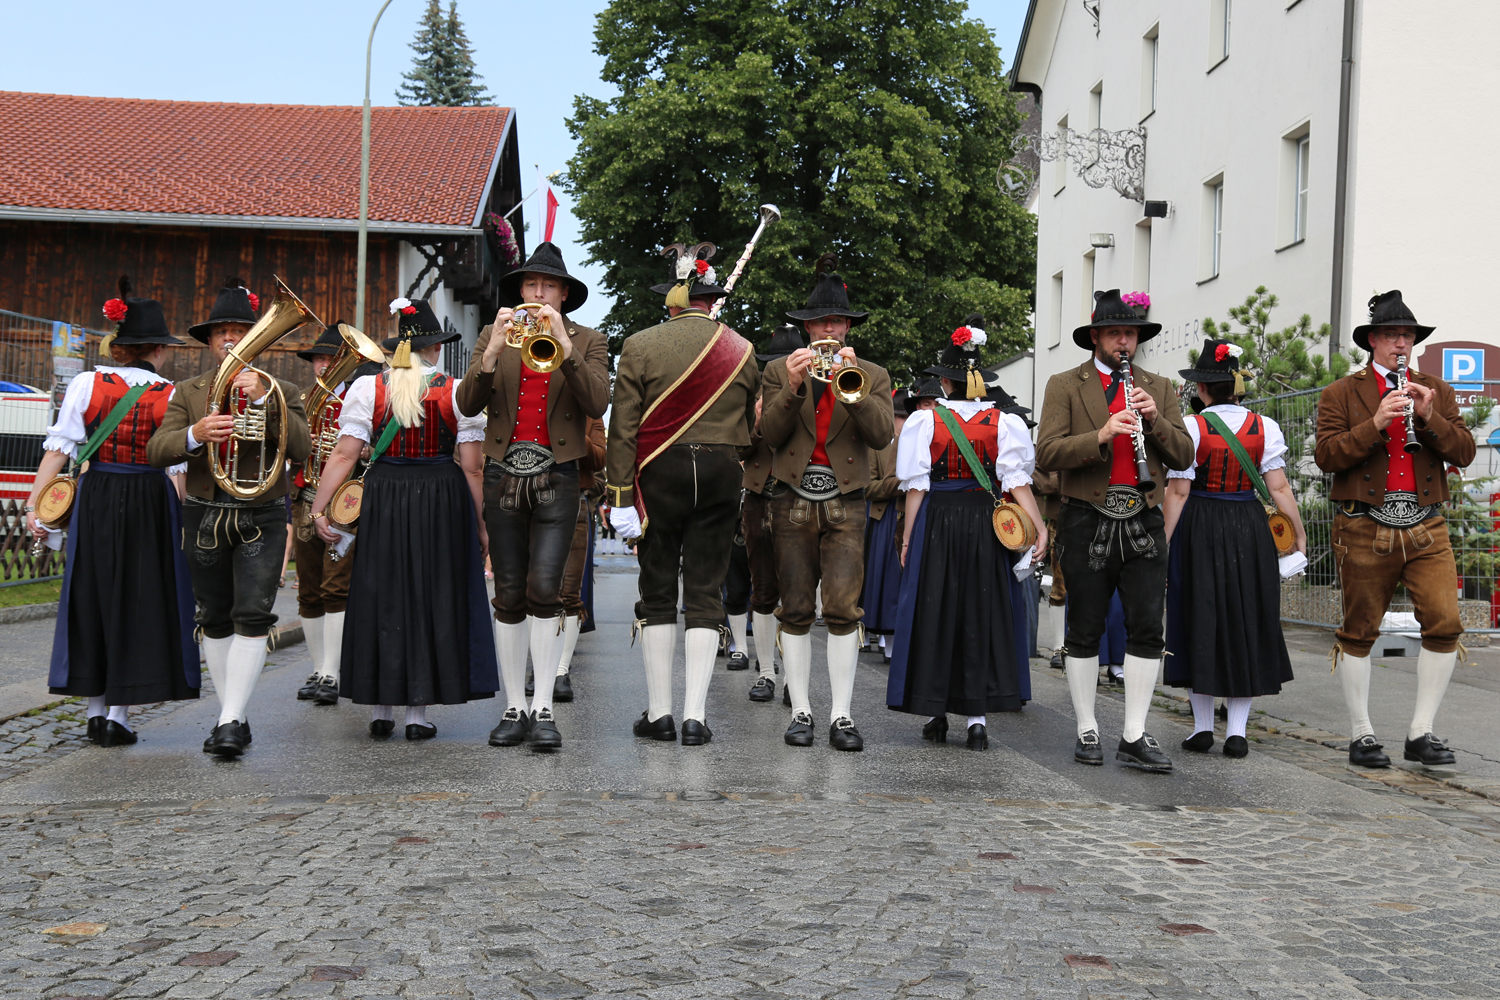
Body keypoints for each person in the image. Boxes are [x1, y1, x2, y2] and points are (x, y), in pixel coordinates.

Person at [310, 299, 498, 740]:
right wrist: (482, 526)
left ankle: (380, 710)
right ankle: (417, 715)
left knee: (381, 593)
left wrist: (320, 508)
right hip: (441, 497)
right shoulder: (455, 392)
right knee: (432, 597)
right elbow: (473, 469)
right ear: (435, 349)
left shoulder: (367, 388)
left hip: (385, 496)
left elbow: (344, 455)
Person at [25, 278, 197, 746]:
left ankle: (95, 712)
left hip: (97, 494)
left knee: (92, 593)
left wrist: (35, 506)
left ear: (121, 347)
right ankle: (119, 715)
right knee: (140, 600)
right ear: (159, 349)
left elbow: (58, 450)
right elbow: (176, 469)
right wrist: (180, 519)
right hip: (150, 498)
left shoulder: (88, 383)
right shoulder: (171, 393)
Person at [148, 276, 313, 757]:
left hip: (262, 513)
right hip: (204, 513)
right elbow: (157, 450)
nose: (231, 339)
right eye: (222, 332)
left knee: (253, 614)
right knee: (214, 616)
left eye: (240, 331)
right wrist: (195, 435)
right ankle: (232, 716)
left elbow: (301, 449)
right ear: (210, 341)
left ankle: (229, 720)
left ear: (257, 338)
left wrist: (264, 401)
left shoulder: (282, 389)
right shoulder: (188, 391)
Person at [456, 243, 610, 750]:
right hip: (503, 474)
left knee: (546, 589)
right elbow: (467, 404)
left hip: (559, 476)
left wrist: (563, 345)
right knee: (508, 593)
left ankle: (543, 705)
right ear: (520, 291)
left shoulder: (589, 340)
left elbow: (597, 401)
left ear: (563, 294)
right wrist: (493, 352)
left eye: (548, 286)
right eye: (530, 284)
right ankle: (513, 706)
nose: (538, 293)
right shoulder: (492, 334)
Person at [606, 244, 760, 745]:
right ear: (712, 300)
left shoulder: (639, 344)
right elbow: (748, 429)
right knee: (704, 590)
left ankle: (660, 714)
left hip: (660, 472)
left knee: (657, 590)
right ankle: (695, 717)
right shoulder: (742, 349)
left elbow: (623, 430)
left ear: (672, 299)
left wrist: (620, 495)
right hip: (720, 471)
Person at [1314, 291, 1476, 767]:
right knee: (1359, 630)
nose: (1401, 344)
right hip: (1363, 523)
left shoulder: (1435, 390)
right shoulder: (1342, 393)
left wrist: (1428, 416)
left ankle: (1421, 731)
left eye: (1407, 336)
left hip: (1426, 523)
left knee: (1445, 622)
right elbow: (1327, 456)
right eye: (1391, 335)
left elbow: (1464, 451)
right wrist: (1377, 424)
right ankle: (1361, 733)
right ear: (1372, 341)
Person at [1035, 289, 1194, 772]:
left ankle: (1134, 733)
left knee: (1147, 625)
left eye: (1131, 334)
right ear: (1096, 337)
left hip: (1144, 514)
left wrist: (1155, 420)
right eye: (1115, 333)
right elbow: (1047, 453)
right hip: (1086, 515)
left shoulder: (1158, 387)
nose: (1124, 342)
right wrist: (1102, 434)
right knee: (1085, 625)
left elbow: (1184, 455)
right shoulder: (1066, 384)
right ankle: (1087, 727)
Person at [887, 319, 1047, 749]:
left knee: (935, 612)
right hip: (985, 524)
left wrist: (908, 537)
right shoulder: (1004, 422)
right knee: (981, 612)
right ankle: (977, 721)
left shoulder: (925, 421)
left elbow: (916, 487)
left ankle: (936, 713)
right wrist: (1039, 528)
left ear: (944, 382)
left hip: (937, 522)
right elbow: (1017, 482)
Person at [759, 255, 894, 751]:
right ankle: (801, 710)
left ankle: (841, 714)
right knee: (795, 608)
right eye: (820, 323)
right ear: (806, 328)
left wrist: (854, 387)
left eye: (837, 322)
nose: (829, 330)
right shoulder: (778, 371)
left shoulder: (872, 373)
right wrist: (793, 388)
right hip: (791, 499)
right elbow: (768, 435)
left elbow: (881, 436)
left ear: (848, 327)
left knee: (843, 609)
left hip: (847, 501)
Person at [1162, 339, 1305, 758]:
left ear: (1203, 388)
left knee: (1199, 616)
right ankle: (1237, 732)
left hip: (1200, 526)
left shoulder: (1192, 427)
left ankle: (1202, 728)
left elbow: (1178, 492)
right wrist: (1298, 534)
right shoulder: (1265, 427)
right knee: (1247, 618)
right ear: (1239, 385)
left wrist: (1162, 544)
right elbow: (1279, 488)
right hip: (1248, 528)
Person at [290, 321, 384, 706]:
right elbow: (286, 449)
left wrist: (358, 449)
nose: (323, 365)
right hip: (306, 495)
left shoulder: (364, 395)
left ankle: (333, 671)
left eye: (330, 359)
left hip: (347, 500)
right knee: (309, 588)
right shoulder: (302, 398)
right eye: (318, 359)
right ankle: (318, 668)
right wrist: (302, 443)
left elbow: (378, 445)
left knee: (336, 585)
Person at [741, 323, 805, 702]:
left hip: (797, 498)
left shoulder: (810, 389)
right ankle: (766, 671)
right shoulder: (752, 396)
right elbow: (739, 449)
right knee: (763, 590)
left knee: (796, 592)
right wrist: (755, 421)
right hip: (759, 498)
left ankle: (792, 679)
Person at [551, 414, 608, 700]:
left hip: (575, 502)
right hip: (534, 499)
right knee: (535, 592)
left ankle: (561, 670)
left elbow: (599, 464)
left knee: (570, 592)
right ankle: (540, 667)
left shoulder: (589, 415)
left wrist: (574, 428)